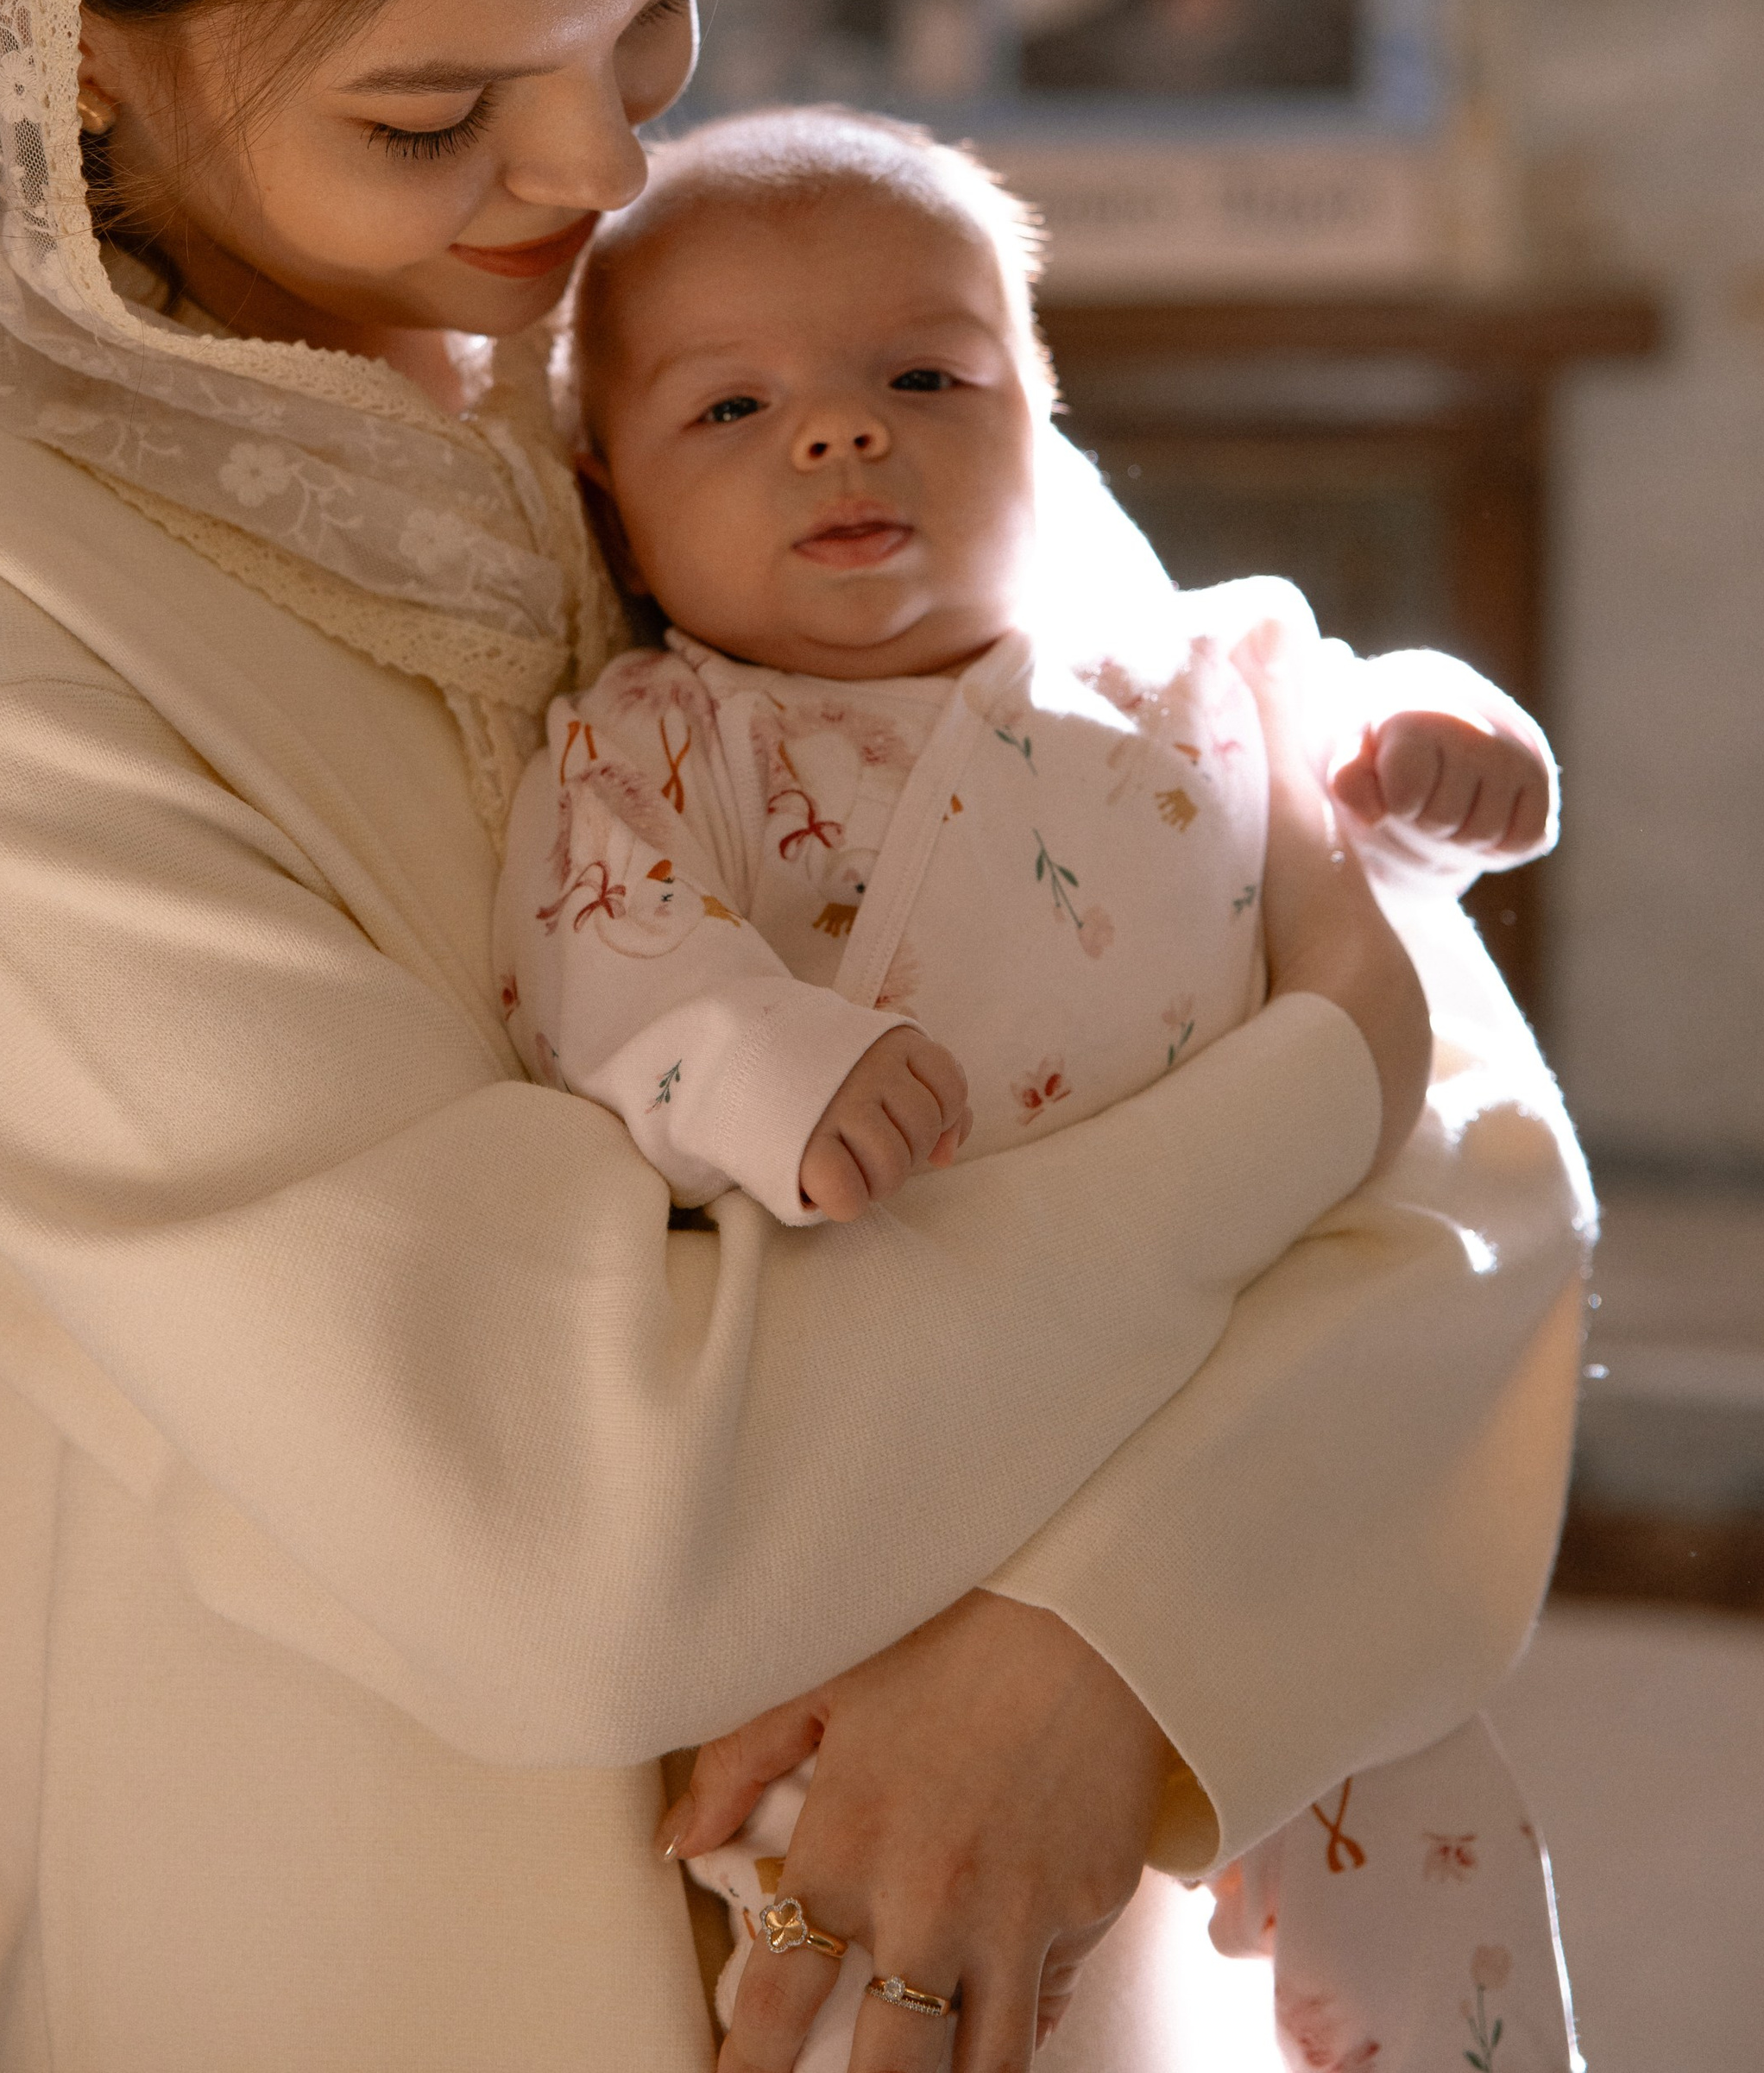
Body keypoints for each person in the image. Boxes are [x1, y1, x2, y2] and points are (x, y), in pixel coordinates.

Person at [0, 0, 1591, 2073]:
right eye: (435, 106)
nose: (595, 182)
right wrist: (1302, 1093)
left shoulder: (681, 351)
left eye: (656, 16)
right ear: (63, 43)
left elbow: (1483, 1177)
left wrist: (1111, 1656)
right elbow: (571, 1515)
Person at [501, 106, 1577, 2070]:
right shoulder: (661, 740)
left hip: (1218, 1410)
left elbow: (1350, 799)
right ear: (605, 497)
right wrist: (760, 1057)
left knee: (1405, 1844)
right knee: (882, 1937)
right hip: (910, 1445)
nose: (840, 430)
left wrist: (1443, 738)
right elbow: (606, 958)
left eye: (923, 373)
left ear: (1040, 405)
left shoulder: (1194, 657)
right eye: (730, 407)